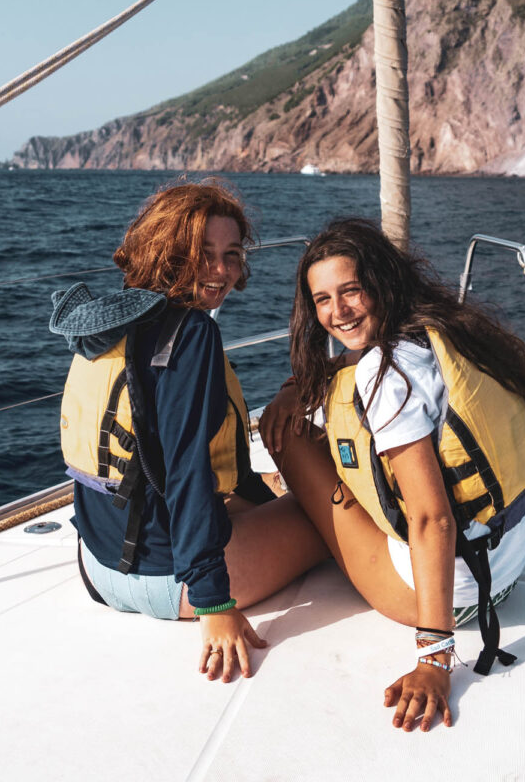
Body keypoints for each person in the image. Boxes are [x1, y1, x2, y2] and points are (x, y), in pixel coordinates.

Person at [260, 217, 525, 733]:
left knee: (291, 434)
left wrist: (434, 659)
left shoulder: (387, 374)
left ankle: (297, 499)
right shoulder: (448, 329)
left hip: (448, 596)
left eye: (351, 292)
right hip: (508, 566)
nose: (336, 312)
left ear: (381, 284)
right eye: (322, 300)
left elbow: (433, 519)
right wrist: (303, 383)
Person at [53, 179, 328, 683]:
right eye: (203, 254)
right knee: (328, 510)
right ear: (168, 252)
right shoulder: (193, 334)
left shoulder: (107, 322)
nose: (222, 271)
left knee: (266, 497)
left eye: (231, 254)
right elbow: (185, 473)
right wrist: (213, 603)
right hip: (172, 583)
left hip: (98, 567)